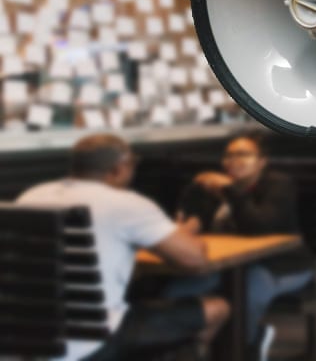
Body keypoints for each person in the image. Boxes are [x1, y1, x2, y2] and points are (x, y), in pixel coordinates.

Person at [17, 133, 228, 361]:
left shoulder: (32, 195)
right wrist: (184, 235)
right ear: (119, 168)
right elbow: (195, 260)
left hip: (28, 337)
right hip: (91, 341)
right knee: (217, 308)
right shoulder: (127, 205)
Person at [170, 132, 313, 361]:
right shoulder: (215, 188)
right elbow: (194, 223)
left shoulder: (277, 184)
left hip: (281, 265)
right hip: (226, 266)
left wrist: (231, 191)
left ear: (261, 161)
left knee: (248, 291)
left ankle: (244, 349)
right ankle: (181, 351)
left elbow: (259, 226)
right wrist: (193, 205)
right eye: (228, 155)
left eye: (243, 154)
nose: (233, 160)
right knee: (178, 290)